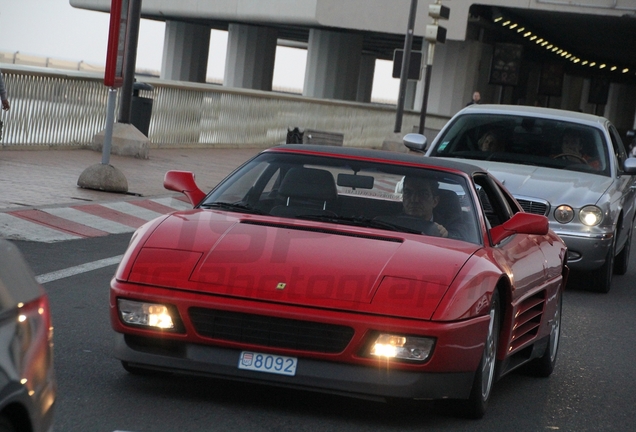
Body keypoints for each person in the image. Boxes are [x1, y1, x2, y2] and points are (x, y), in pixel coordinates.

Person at [400, 176, 468, 240]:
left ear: (435, 201)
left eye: (423, 194)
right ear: (403, 198)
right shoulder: (392, 222)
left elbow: (462, 239)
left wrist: (446, 235)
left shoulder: (450, 222)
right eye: (408, 193)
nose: (414, 200)